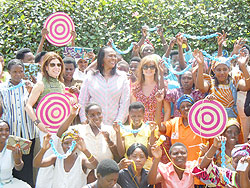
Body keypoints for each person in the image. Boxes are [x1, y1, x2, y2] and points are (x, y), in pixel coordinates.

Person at [25, 52, 65, 188]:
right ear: (46, 67)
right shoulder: (41, 84)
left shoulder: (61, 85)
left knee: (60, 161)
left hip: (60, 129)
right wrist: (39, 124)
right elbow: (28, 106)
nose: (56, 67)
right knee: (46, 162)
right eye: (52, 64)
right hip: (47, 130)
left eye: (59, 64)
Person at [194, 48, 250, 142]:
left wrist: (243, 66)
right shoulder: (210, 82)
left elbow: (247, 86)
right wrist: (200, 66)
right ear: (214, 71)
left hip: (232, 122)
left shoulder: (234, 81)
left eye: (225, 69)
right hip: (214, 123)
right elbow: (201, 87)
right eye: (218, 70)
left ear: (229, 69)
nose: (222, 73)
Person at [0, 59, 35, 187]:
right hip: (10, 134)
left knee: (26, 164)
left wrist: (31, 91)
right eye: (14, 72)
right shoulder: (2, 88)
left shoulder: (28, 86)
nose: (18, 74)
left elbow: (35, 106)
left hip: (27, 132)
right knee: (11, 163)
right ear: (9, 72)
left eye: (20, 71)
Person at [78, 46, 130, 125]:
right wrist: (84, 120)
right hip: (92, 126)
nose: (113, 58)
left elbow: (125, 103)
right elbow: (83, 101)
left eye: (114, 56)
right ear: (102, 58)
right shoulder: (91, 76)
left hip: (114, 126)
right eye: (110, 56)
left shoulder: (122, 77)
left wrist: (119, 121)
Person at [33, 130, 98, 188]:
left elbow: (95, 165)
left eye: (72, 143)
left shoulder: (81, 160)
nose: (69, 146)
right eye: (66, 143)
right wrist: (43, 149)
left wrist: (85, 150)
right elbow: (36, 164)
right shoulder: (56, 159)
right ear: (61, 145)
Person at [159, 95, 209, 161]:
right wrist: (158, 102)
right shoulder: (174, 122)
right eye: (182, 107)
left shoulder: (203, 123)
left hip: (199, 166)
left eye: (189, 106)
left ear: (194, 107)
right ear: (179, 111)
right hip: (180, 167)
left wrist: (210, 103)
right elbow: (160, 127)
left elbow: (214, 144)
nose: (186, 108)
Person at [113, 102, 157, 170]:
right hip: (128, 169)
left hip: (146, 169)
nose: (136, 118)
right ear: (129, 115)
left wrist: (152, 133)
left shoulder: (149, 129)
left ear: (143, 115)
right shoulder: (123, 130)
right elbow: (121, 153)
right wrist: (117, 133)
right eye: (133, 116)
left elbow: (150, 154)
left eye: (139, 116)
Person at [131, 54, 167, 123]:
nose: (149, 69)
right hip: (141, 127)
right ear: (141, 69)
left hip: (158, 125)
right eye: (145, 67)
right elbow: (132, 111)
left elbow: (167, 110)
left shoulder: (162, 85)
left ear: (156, 69)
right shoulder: (135, 88)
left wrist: (163, 127)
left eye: (152, 67)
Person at [0, 120, 31, 188]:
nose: (4, 133)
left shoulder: (12, 146)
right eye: (1, 130)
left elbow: (19, 168)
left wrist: (17, 160)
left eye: (7, 130)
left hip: (8, 182)